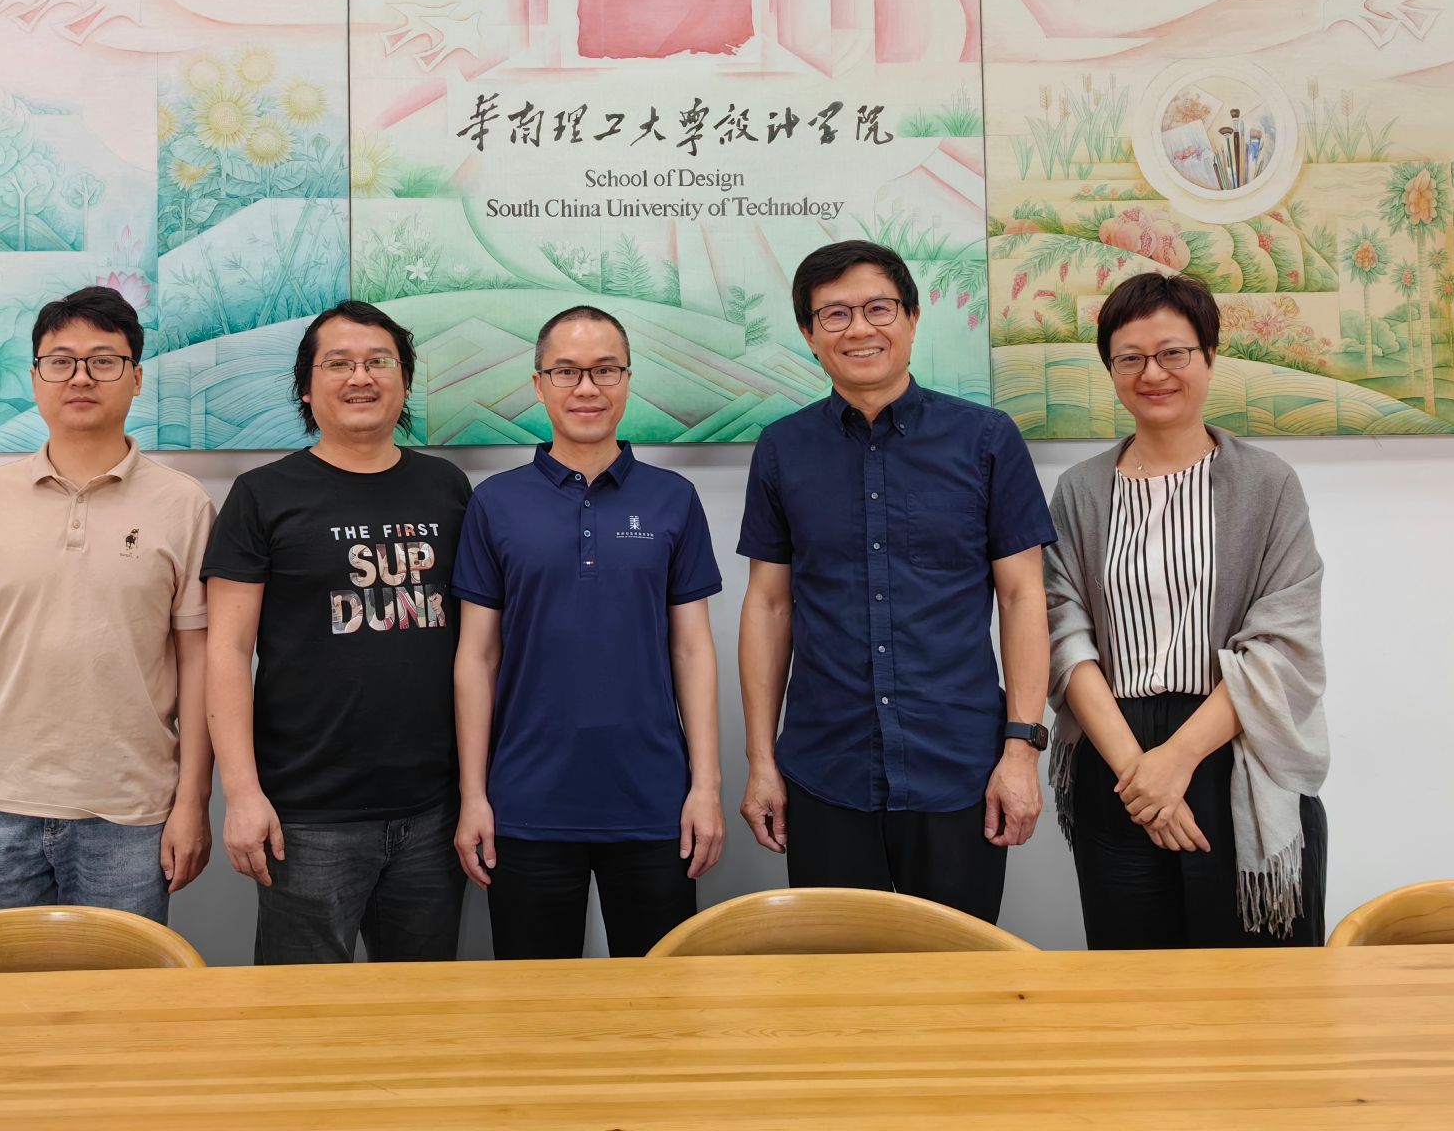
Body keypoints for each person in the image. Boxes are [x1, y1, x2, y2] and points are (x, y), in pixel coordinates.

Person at [736, 240, 1053, 923]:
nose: (859, 329)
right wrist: (761, 761)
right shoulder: (783, 449)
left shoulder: (986, 439)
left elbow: (1023, 596)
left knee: (957, 973)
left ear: (911, 318)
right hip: (826, 766)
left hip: (959, 764)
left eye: (878, 308)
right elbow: (768, 606)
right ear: (809, 334)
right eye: (835, 314)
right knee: (836, 973)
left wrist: (1021, 750)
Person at [0, 285, 215, 921]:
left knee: (121, 986)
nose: (81, 377)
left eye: (104, 360)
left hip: (131, 814)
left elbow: (200, 666)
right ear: (35, 378)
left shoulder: (184, 504)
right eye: (61, 361)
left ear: (136, 378)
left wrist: (192, 803)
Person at [1046, 271, 1329, 946]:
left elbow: (1283, 642)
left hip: (1232, 746)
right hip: (1114, 759)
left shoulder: (1268, 484)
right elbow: (1062, 631)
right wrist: (1138, 772)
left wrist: (1175, 761)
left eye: (1173, 352)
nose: (1153, 373)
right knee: (1135, 981)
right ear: (1111, 368)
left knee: (1257, 980)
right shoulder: (1080, 491)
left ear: (1209, 356)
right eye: (1131, 358)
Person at [452, 305, 725, 958]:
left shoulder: (673, 498)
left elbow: (693, 650)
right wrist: (473, 796)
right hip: (526, 803)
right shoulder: (495, 502)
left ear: (627, 380)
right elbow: (476, 658)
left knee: (659, 999)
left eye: (605, 370)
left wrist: (706, 788)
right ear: (539, 383)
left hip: (654, 801)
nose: (587, 388)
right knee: (535, 1003)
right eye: (566, 371)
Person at [203, 300, 471, 964]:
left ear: (404, 381)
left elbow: (478, 647)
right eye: (339, 363)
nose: (361, 377)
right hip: (307, 816)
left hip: (433, 811)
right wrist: (242, 794)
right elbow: (227, 652)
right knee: (301, 1010)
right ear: (306, 385)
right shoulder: (262, 495)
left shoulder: (447, 488)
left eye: (379, 362)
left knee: (420, 1006)